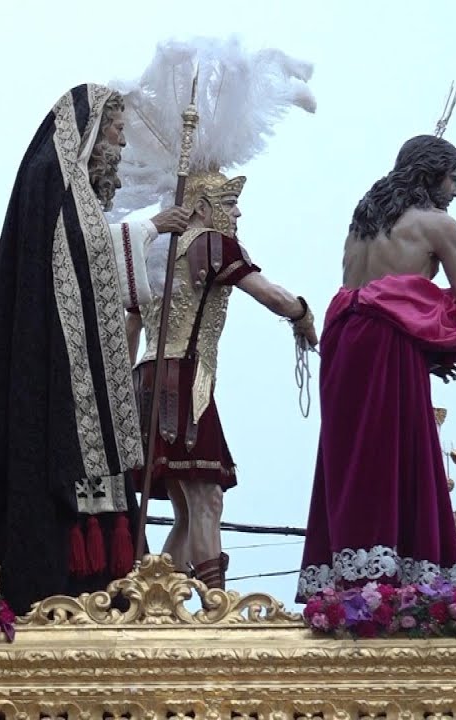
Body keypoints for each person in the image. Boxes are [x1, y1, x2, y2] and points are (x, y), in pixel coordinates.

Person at [0, 85, 190, 613]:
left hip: (68, 372)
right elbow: (82, 251)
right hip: (50, 384)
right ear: (85, 132)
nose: (121, 147)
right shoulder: (53, 180)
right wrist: (152, 227)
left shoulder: (73, 191)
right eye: (114, 132)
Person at [296, 135, 456, 601]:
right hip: (385, 342)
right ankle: (395, 576)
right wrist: (437, 344)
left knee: (350, 452)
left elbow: (364, 286)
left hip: (344, 338)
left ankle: (347, 567)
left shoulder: (363, 221)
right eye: (453, 177)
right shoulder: (440, 225)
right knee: (397, 448)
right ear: (431, 173)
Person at [127, 171, 317, 591]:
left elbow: (132, 325)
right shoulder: (214, 244)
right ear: (201, 206)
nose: (237, 211)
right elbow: (271, 295)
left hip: (147, 382)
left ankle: (157, 607)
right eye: (229, 203)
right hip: (185, 379)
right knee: (207, 498)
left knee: (188, 510)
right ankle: (216, 610)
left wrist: (120, 387)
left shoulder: (155, 252)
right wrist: (304, 315)